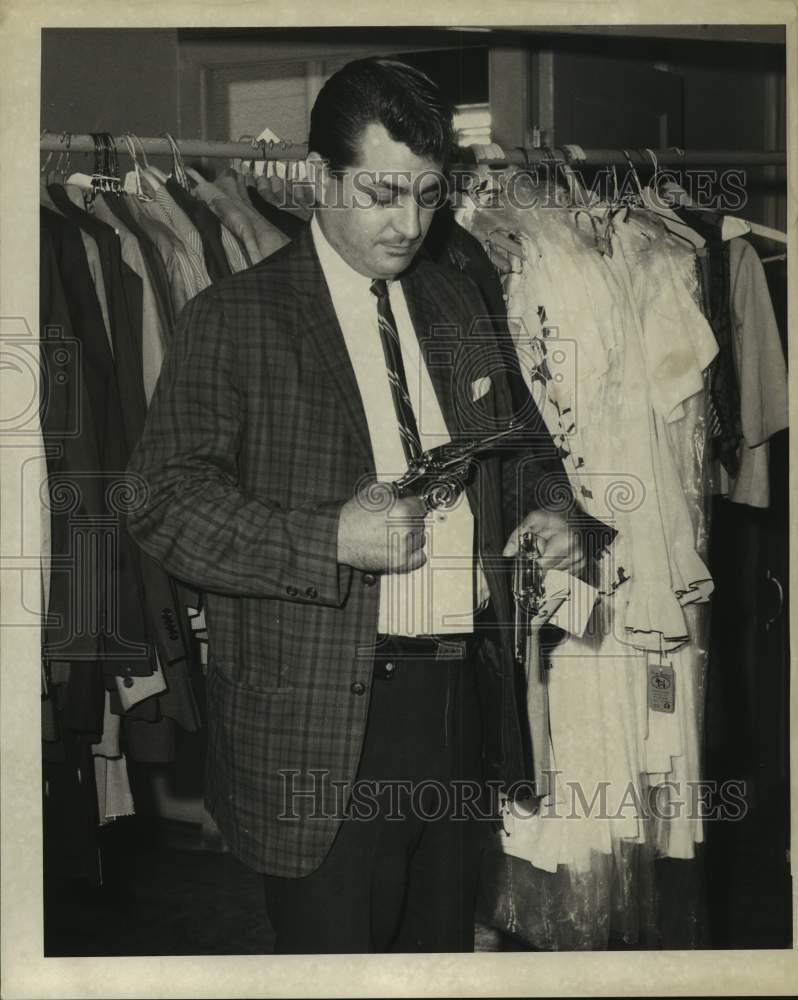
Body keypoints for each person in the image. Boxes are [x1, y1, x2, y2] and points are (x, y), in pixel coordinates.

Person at [126, 56, 581, 953]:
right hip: (320, 724)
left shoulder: (455, 298)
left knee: (439, 958)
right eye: (381, 193)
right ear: (318, 179)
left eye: (426, 193)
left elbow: (525, 448)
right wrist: (326, 537)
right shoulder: (235, 318)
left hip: (457, 705)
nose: (408, 223)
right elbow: (160, 501)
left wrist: (554, 512)